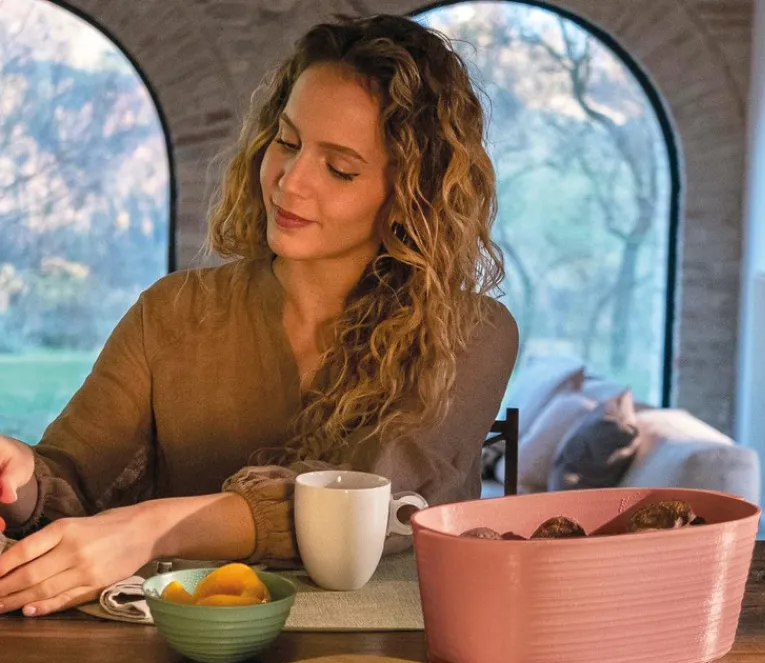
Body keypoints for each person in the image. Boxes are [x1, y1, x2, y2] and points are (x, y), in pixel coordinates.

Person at [0, 14, 518, 616]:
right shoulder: (172, 312)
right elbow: (73, 492)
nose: (290, 182)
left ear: (409, 193)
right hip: (179, 661)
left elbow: (366, 504)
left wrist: (149, 529)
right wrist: (21, 476)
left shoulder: (470, 333)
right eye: (288, 142)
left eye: (339, 168)